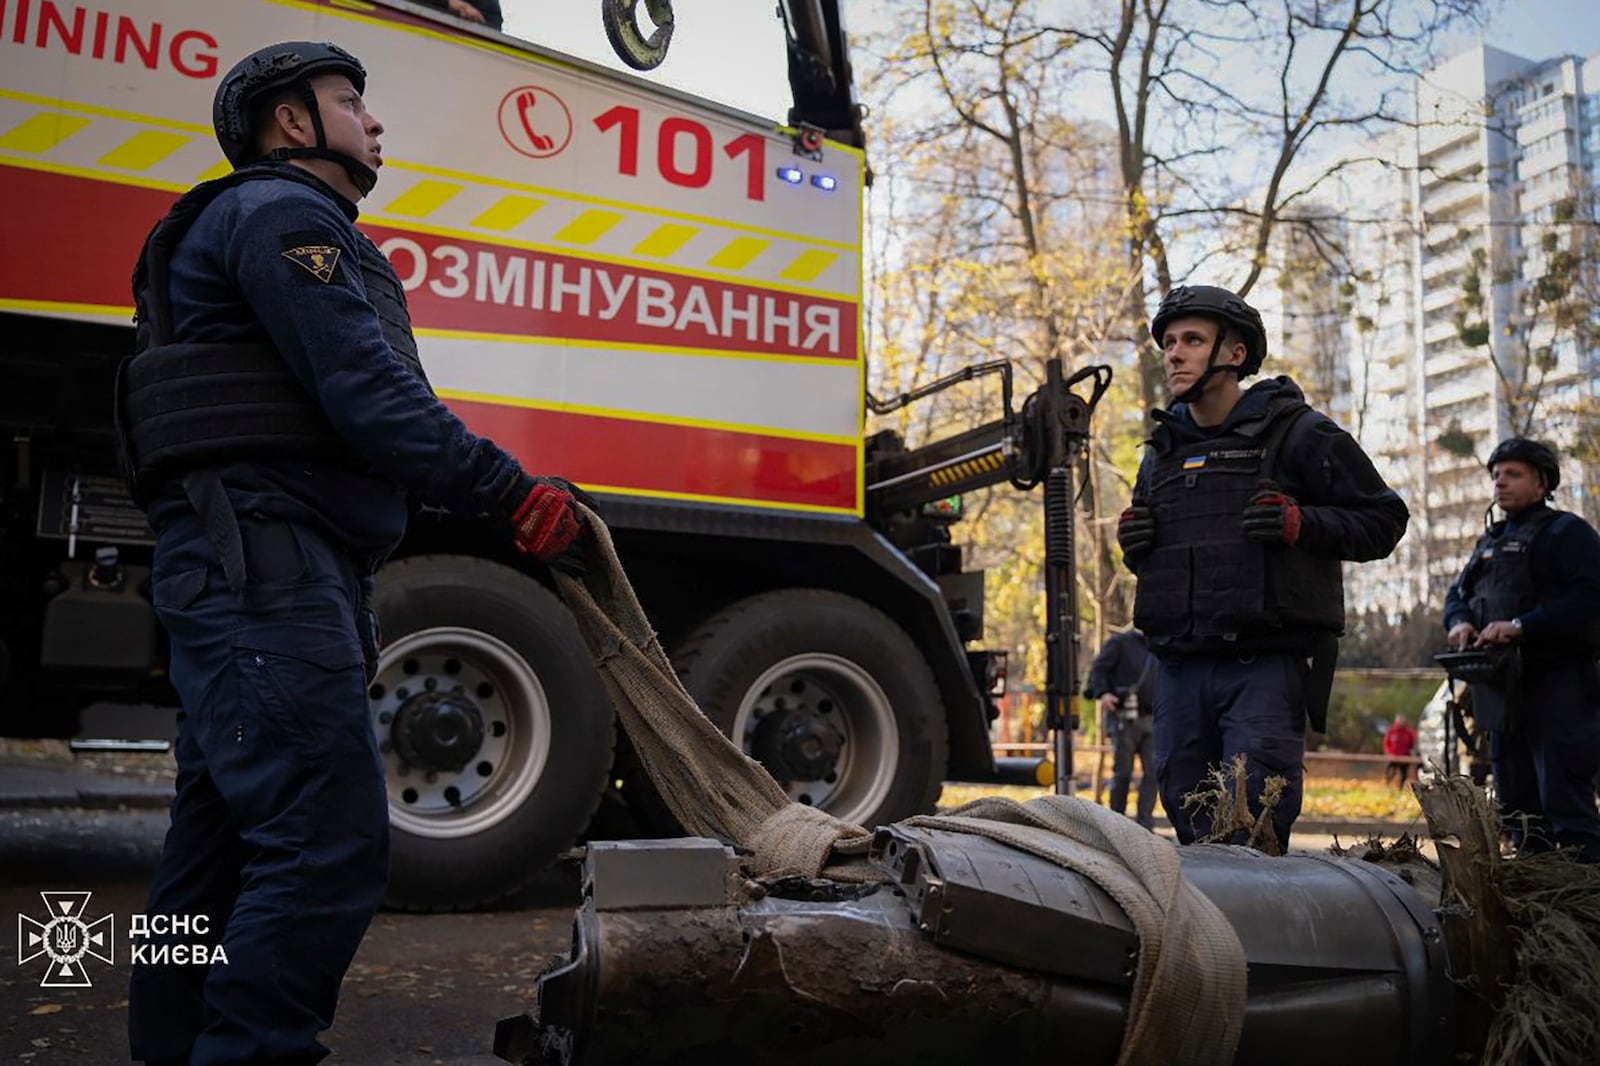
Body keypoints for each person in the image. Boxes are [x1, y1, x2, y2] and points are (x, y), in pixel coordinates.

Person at [119, 42, 588, 1065]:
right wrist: (512, 492)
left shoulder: (252, 222)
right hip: (264, 573)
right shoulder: (285, 217)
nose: (374, 124)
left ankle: (171, 1048)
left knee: (213, 852)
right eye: (348, 103)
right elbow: (372, 398)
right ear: (291, 122)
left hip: (243, 564)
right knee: (324, 842)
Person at [1117, 284, 1409, 849]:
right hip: (1179, 668)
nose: (1174, 353)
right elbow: (1175, 561)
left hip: (1262, 666)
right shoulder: (1162, 451)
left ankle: (1255, 935)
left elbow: (1384, 520)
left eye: (1192, 340)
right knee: (1187, 813)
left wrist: (1304, 524)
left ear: (1234, 353)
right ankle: (1204, 941)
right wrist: (1137, 546)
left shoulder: (1298, 432)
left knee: (1251, 820)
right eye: (1170, 342)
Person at [1442, 438, 1600, 863]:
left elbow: (1589, 599)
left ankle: (1583, 908)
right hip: (1500, 692)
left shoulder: (1569, 533)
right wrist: (1459, 622)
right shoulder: (1487, 543)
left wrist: (1520, 627)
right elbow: (1456, 596)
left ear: (1542, 481)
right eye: (1496, 475)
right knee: (1516, 808)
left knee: (1564, 800)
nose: (1500, 483)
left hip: (1560, 685)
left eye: (1513, 474)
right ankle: (1533, 908)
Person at [1085, 627, 1158, 829]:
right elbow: (1098, 669)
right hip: (1123, 716)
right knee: (1123, 772)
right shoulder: (1119, 642)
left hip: (1152, 717)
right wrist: (1103, 693)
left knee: (1153, 773)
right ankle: (1117, 824)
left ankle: (1145, 825)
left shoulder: (1159, 645)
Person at [1382, 714, 1417, 789]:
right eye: (1400, 720)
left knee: (1403, 774)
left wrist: (1410, 752)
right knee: (1390, 772)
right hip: (1393, 756)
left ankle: (1400, 788)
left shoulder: (1409, 732)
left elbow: (1412, 743)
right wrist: (1388, 752)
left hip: (1404, 757)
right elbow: (1386, 742)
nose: (1401, 722)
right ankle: (1387, 785)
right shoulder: (1391, 730)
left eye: (1402, 720)